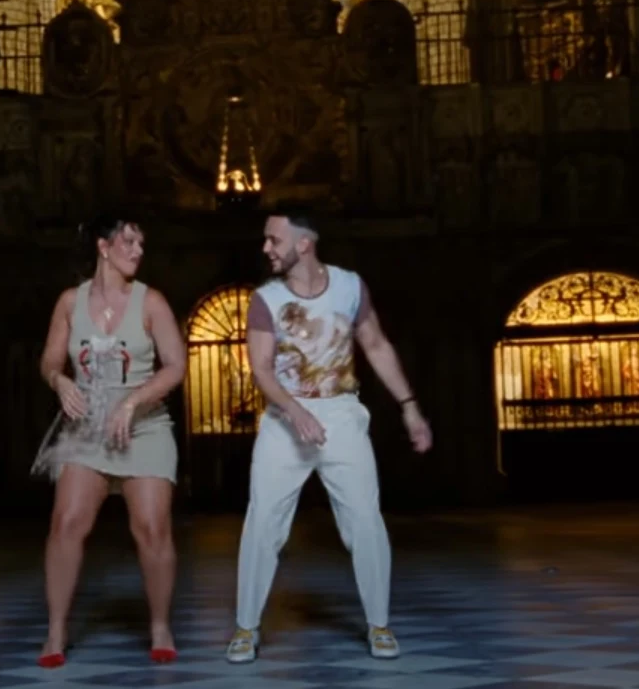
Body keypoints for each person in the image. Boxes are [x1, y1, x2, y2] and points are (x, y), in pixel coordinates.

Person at [227, 211, 433, 664]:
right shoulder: (265, 299)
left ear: (304, 244)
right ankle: (246, 627)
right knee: (263, 522)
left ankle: (379, 624)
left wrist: (409, 405)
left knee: (364, 519)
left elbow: (376, 345)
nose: (266, 248)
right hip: (285, 418)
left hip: (340, 414)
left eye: (273, 239)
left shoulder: (349, 286)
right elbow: (261, 369)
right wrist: (294, 409)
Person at [32, 215, 188, 668]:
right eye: (129, 241)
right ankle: (56, 630)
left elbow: (175, 366)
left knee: (152, 528)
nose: (138, 250)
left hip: (144, 426)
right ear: (104, 246)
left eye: (142, 242)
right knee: (66, 524)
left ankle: (160, 625)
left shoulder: (151, 302)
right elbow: (48, 362)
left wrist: (134, 401)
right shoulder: (69, 302)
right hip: (88, 428)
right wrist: (60, 382)